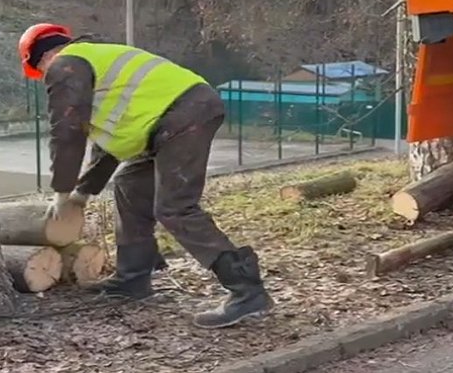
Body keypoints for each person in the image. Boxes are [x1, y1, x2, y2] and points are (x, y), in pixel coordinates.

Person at [16, 23, 274, 329]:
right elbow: (109, 141)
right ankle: (133, 278)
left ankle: (247, 290)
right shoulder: (95, 61)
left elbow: (67, 132)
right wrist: (82, 193)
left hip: (181, 115)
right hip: (175, 117)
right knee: (129, 185)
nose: (45, 78)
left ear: (42, 58)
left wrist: (62, 191)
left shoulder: (65, 66)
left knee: (175, 207)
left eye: (40, 71)